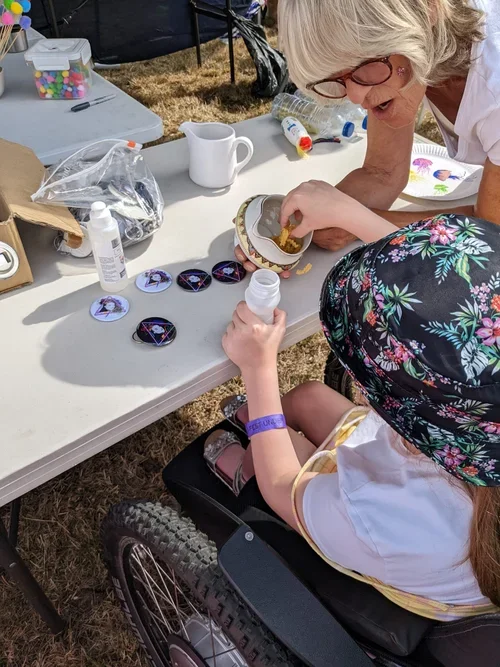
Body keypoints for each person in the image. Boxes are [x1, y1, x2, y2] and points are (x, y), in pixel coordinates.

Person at [209, 187, 500, 619]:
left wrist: (258, 369)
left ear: (404, 410)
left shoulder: (390, 516)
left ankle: (243, 450)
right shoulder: (468, 414)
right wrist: (348, 212)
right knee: (307, 397)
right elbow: (457, 289)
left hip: (388, 542)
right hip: (433, 486)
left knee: (261, 456)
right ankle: (263, 423)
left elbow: (281, 488)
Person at [235, 0, 500, 276]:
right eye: (339, 77)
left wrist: (355, 219)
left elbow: (490, 237)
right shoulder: (400, 57)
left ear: (426, 12)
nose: (355, 97)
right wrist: (290, 229)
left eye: (363, 67)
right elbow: (381, 173)